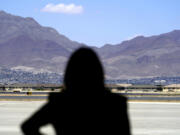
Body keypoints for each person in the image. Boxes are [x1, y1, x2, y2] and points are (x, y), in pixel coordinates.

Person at [21, 47, 131, 135]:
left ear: (69, 74)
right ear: (99, 73)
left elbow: (27, 127)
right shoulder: (116, 104)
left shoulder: (60, 103)